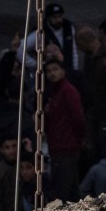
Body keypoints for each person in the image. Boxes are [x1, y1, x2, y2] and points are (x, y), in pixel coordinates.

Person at [38, 60, 88, 200]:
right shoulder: (55, 92)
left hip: (66, 146)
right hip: (60, 145)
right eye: (49, 71)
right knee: (67, 188)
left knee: (63, 188)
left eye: (55, 69)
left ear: (63, 71)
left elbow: (78, 118)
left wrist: (78, 139)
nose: (52, 73)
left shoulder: (68, 91)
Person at [18, 2, 77, 70]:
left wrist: (75, 69)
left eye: (60, 16)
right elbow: (19, 48)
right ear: (48, 18)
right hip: (49, 71)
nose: (58, 20)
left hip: (67, 69)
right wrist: (34, 64)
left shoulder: (68, 27)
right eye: (54, 17)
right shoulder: (40, 31)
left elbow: (73, 51)